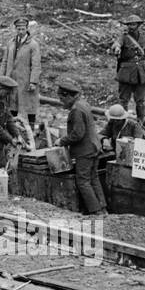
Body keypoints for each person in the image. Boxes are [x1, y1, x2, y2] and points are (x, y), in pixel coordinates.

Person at [57, 77, 106, 216]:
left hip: (85, 151)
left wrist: (61, 141)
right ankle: (102, 208)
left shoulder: (76, 110)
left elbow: (78, 134)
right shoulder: (83, 104)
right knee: (93, 178)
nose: (61, 102)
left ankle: (95, 211)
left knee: (83, 181)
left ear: (69, 96)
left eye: (62, 98)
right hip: (95, 146)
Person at [0, 16, 42, 131]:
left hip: (25, 80)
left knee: (30, 105)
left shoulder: (33, 45)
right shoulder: (11, 43)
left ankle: (31, 129)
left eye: (23, 29)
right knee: (12, 103)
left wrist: (33, 81)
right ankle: (13, 129)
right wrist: (1, 77)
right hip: (11, 79)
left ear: (27, 29)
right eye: (18, 29)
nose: (21, 31)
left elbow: (36, 65)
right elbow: (4, 61)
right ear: (15, 29)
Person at [114, 14, 145, 121]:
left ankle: (140, 122)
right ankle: (121, 121)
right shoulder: (124, 37)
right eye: (129, 24)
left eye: (133, 24)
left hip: (141, 73)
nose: (131, 26)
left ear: (138, 25)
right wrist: (117, 48)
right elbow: (117, 43)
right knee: (123, 100)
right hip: (126, 72)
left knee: (140, 101)